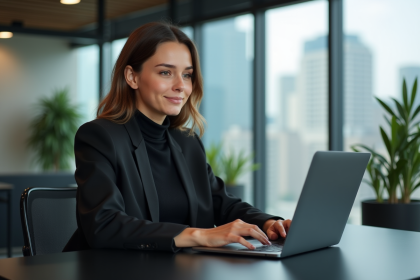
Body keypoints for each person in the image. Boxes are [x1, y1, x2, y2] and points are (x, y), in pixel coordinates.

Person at [64, 22, 291, 253]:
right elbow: (104, 225)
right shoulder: (99, 136)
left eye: (187, 75)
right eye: (165, 72)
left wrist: (270, 223)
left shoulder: (187, 141)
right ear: (132, 77)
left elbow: (221, 201)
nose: (180, 86)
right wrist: (199, 235)